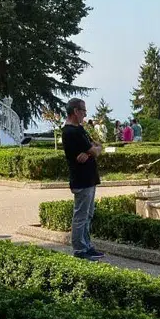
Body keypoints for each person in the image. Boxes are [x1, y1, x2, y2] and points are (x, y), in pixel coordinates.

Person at [61, 98, 103, 260]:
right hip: (81, 179)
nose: (85, 114)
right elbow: (96, 150)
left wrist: (92, 150)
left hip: (90, 178)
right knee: (81, 215)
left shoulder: (80, 130)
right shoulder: (71, 132)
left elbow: (96, 147)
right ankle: (79, 249)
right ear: (75, 111)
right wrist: (93, 150)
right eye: (83, 111)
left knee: (88, 214)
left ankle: (87, 245)